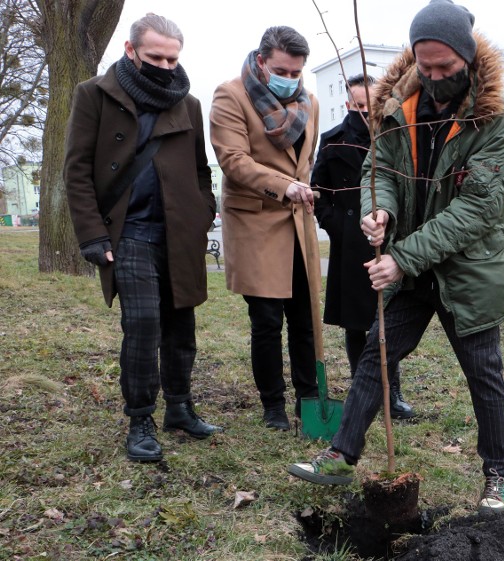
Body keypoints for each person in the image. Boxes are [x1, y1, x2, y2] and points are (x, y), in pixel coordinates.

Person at [289, 0, 504, 515]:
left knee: (484, 373)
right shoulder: (398, 111)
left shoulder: (497, 121)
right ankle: (341, 453)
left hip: (469, 269)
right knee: (377, 353)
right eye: (426, 66)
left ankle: (499, 475)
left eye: (446, 67)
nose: (435, 77)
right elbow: (382, 171)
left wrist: (404, 257)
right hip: (411, 267)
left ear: (466, 57)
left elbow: (476, 210)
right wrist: (381, 215)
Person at [64, 13, 222, 463]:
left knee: (181, 327)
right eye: (156, 56)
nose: (166, 66)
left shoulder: (187, 103)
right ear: (132, 50)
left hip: (178, 234)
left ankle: (179, 408)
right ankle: (140, 419)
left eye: (173, 58)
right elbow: (76, 171)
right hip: (127, 232)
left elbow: (199, 169)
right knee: (143, 326)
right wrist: (92, 234)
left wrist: (202, 213)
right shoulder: (94, 95)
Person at [209, 26, 320, 431]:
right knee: (268, 321)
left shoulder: (312, 103)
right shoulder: (231, 96)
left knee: (306, 321)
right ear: (261, 60)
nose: (289, 79)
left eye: (296, 72)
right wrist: (284, 186)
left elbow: (305, 161)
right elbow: (233, 159)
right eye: (281, 70)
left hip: (298, 226)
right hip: (256, 222)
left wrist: (305, 188)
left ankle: (309, 399)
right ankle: (273, 404)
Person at [311, 74, 415, 420]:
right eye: (357, 106)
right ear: (347, 104)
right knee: (357, 324)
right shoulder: (332, 141)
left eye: (369, 106)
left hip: (389, 241)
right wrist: (337, 226)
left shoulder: (393, 137)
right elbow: (319, 192)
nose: (363, 112)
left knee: (388, 321)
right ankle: (365, 390)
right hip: (350, 244)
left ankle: (393, 392)